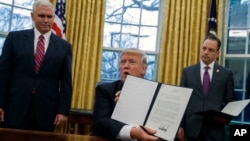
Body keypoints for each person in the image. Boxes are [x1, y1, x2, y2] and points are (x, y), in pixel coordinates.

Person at [0, 0, 72, 132]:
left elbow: (66, 82)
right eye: (41, 16)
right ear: (32, 16)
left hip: (46, 111)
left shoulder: (64, 47)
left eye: (49, 17)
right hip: (14, 107)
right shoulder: (14, 38)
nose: (46, 20)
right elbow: (3, 74)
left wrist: (63, 111)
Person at [92, 48, 159, 141]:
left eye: (132, 62)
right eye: (122, 62)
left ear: (143, 69)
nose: (125, 66)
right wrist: (132, 132)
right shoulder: (105, 90)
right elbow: (100, 123)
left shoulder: (156, 92)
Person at [178, 35, 235, 141]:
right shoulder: (188, 72)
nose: (206, 52)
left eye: (211, 50)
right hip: (191, 129)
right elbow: (181, 101)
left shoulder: (226, 74)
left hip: (215, 130)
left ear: (217, 53)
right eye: (204, 48)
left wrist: (225, 118)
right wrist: (179, 125)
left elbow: (230, 101)